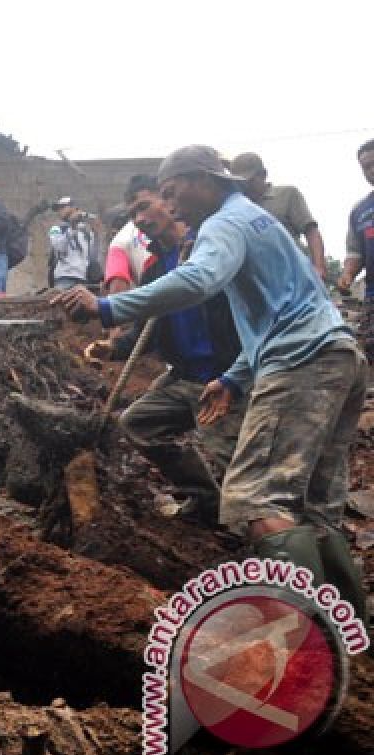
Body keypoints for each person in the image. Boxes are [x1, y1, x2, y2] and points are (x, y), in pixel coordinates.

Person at [52, 145, 368, 621]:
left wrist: (108, 307)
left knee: (253, 498)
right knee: (314, 506)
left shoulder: (222, 224)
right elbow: (284, 307)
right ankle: (352, 631)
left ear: (202, 179)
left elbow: (199, 281)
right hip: (337, 355)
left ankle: (307, 637)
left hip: (300, 363)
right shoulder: (258, 220)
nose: (170, 201)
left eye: (170, 190)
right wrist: (235, 378)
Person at [85, 175, 242, 526]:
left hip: (228, 377)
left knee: (232, 457)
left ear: (170, 201)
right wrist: (113, 350)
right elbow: (150, 331)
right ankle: (207, 500)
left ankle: (260, 535)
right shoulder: (156, 267)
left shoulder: (210, 246)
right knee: (135, 424)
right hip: (185, 379)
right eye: (133, 214)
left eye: (144, 206)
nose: (139, 219)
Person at [230, 152, 327, 278]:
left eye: (250, 181)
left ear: (264, 174)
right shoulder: (236, 207)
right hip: (257, 280)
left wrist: (318, 267)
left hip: (293, 274)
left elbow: (311, 231)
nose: (246, 186)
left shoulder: (287, 194)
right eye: (241, 183)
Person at [337, 139, 374, 357]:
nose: (371, 170)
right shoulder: (360, 210)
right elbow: (356, 251)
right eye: (366, 167)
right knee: (370, 348)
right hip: (372, 293)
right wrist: (348, 275)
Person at [47, 196, 98, 290]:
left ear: (74, 208)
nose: (59, 211)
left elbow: (91, 256)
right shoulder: (56, 229)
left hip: (82, 279)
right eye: (58, 209)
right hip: (64, 277)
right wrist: (72, 227)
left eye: (63, 207)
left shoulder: (85, 231)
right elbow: (59, 247)